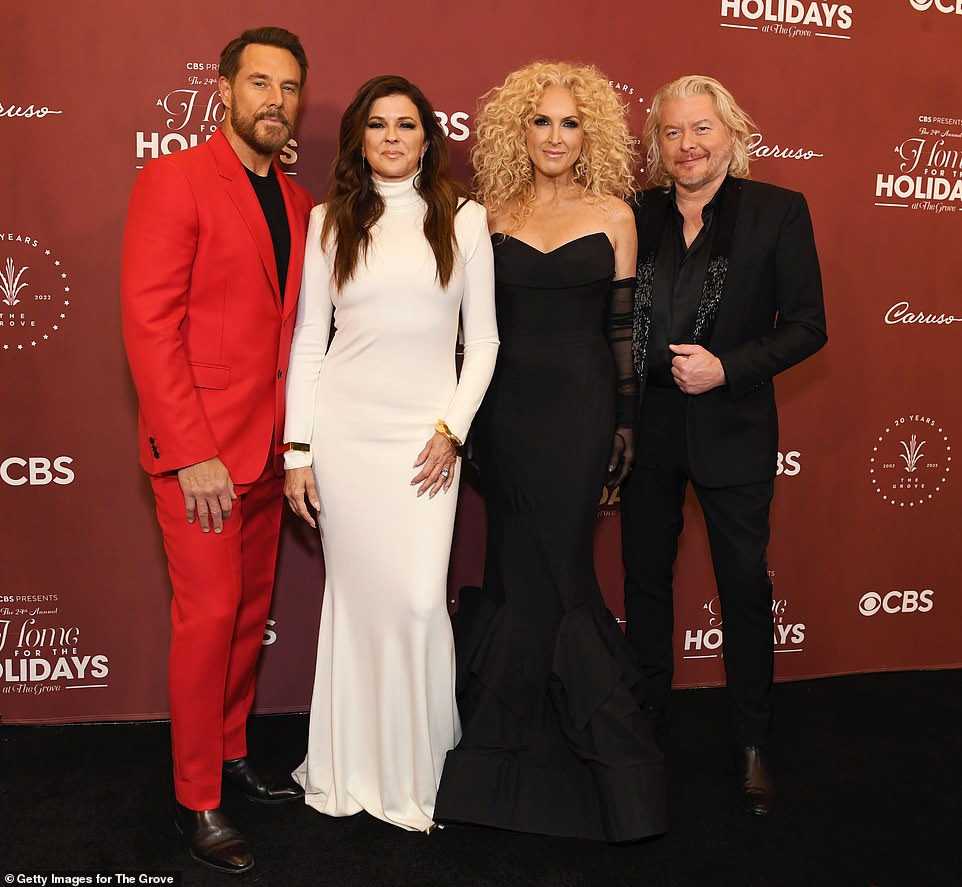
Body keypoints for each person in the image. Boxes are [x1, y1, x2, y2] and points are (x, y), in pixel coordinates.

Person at [433, 62, 667, 842]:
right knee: (513, 565)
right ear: (517, 131)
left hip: (580, 411)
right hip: (504, 416)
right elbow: (461, 329)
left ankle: (590, 769)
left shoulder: (615, 215)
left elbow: (623, 330)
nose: (555, 137)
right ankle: (501, 765)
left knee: (561, 570)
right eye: (541, 122)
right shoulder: (483, 214)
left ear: (589, 132)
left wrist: (625, 424)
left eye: (570, 123)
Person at [282, 75, 498, 833]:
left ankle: (422, 766)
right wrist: (297, 449)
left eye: (407, 124)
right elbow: (312, 337)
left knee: (414, 599)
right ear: (360, 138)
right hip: (344, 434)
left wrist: (452, 430)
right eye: (378, 125)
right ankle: (350, 764)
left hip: (425, 441)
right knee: (354, 601)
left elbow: (487, 341)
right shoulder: (327, 219)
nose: (393, 137)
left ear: (428, 136)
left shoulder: (464, 220)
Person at [121, 27, 313, 874]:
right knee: (206, 624)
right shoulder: (174, 179)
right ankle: (197, 797)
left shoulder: (302, 201)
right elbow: (150, 326)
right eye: (260, 82)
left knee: (243, 620)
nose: (275, 99)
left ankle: (233, 753)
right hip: (200, 457)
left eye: (290, 86)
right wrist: (190, 449)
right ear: (226, 91)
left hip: (270, 451)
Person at [620, 74, 828, 817]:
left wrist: (727, 367)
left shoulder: (777, 211)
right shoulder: (634, 213)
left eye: (702, 129)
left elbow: (808, 325)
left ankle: (751, 742)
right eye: (672, 133)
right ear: (656, 144)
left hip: (733, 424)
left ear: (732, 134)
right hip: (647, 429)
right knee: (644, 581)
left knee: (743, 585)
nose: (688, 145)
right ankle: (646, 728)